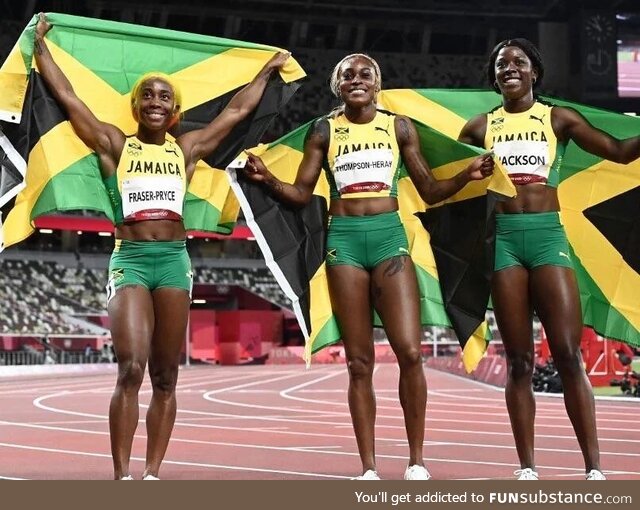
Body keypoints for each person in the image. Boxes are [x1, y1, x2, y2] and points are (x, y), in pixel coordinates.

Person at [34, 13, 289, 480]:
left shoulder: (186, 149)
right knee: (131, 367)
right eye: (147, 95)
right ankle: (122, 477)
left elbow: (234, 112)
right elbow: (68, 97)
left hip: (174, 262)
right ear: (136, 107)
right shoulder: (113, 144)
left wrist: (267, 71)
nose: (155, 101)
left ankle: (152, 474)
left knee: (166, 377)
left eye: (164, 96)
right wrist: (41, 48)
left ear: (174, 110)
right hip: (129, 260)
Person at [243, 53, 494, 480]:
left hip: (389, 242)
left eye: (365, 74)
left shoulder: (399, 127)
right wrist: (267, 179)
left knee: (410, 353)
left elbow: (430, 191)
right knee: (359, 363)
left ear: (377, 85)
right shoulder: (324, 130)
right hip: (344, 244)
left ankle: (416, 460)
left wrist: (468, 175)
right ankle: (369, 466)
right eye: (347, 75)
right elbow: (303, 194)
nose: (356, 80)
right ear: (336, 86)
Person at [458, 38, 640, 481]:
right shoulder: (478, 127)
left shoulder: (557, 118)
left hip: (547, 238)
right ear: (494, 76)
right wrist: (468, 172)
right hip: (504, 243)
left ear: (534, 73)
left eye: (519, 62)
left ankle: (594, 467)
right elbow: (447, 182)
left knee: (567, 354)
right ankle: (526, 467)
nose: (510, 68)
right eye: (502, 64)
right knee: (519, 360)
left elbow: (617, 152)